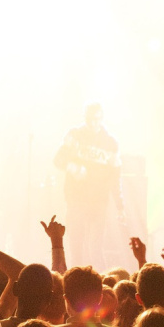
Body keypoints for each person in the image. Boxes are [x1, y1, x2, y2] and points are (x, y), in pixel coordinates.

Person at [53, 103, 123, 268]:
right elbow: (58, 159)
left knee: (95, 248)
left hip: (98, 201)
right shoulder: (75, 136)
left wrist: (120, 206)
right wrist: (73, 167)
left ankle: (101, 285)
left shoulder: (110, 143)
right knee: (76, 245)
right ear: (85, 119)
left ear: (101, 119)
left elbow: (115, 177)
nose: (93, 123)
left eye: (96, 119)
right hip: (76, 199)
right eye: (90, 119)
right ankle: (74, 282)